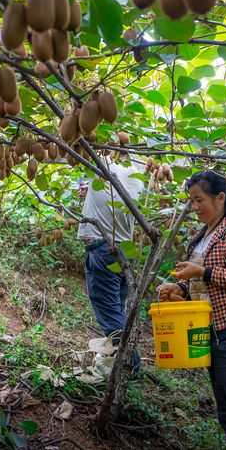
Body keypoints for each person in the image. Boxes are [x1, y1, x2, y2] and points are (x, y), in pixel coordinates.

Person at [156, 170, 226, 450]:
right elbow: (200, 286)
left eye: (199, 200)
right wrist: (178, 289)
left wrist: (201, 271)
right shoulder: (200, 237)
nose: (194, 208)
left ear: (220, 198)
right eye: (191, 201)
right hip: (211, 330)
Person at [78, 151, 144, 372]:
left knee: (110, 313)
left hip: (104, 249)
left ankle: (129, 365)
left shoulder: (101, 160)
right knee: (118, 310)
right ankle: (120, 361)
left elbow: (76, 136)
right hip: (125, 252)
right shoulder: (137, 175)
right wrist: (92, 194)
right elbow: (112, 201)